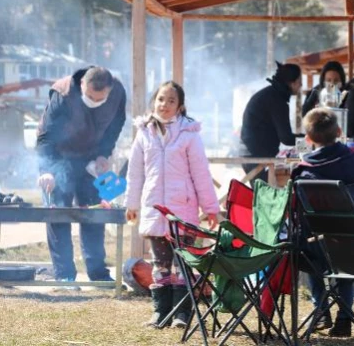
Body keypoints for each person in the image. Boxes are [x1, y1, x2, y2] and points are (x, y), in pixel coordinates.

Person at [124, 81, 220, 329]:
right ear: (153, 101)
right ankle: (160, 312)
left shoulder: (189, 134)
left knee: (183, 264)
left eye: (171, 101)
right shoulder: (144, 133)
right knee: (160, 264)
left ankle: (182, 314)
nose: (164, 105)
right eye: (160, 99)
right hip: (154, 209)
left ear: (180, 106)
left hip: (183, 210)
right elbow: (135, 173)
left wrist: (210, 208)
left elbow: (201, 173)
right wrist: (132, 203)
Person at [36, 66, 126, 286]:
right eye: (90, 96)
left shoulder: (117, 93)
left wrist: (104, 154)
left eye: (99, 98)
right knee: (59, 214)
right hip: (59, 159)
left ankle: (98, 273)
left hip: (91, 161)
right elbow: (46, 134)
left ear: (109, 90)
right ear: (83, 85)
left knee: (95, 214)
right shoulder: (63, 93)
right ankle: (64, 275)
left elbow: (116, 124)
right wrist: (47, 170)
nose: (94, 101)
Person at [291, 107, 354, 337]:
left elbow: (297, 213)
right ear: (339, 131)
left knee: (310, 242)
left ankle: (321, 309)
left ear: (308, 139)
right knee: (344, 246)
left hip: (317, 247)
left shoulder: (304, 171)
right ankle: (345, 317)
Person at [240, 62, 303, 184]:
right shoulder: (277, 100)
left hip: (251, 154)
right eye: (299, 80)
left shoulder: (271, 95)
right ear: (292, 82)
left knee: (265, 195)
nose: (301, 84)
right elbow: (286, 138)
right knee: (267, 197)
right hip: (256, 157)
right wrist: (310, 142)